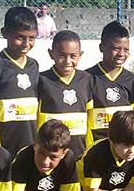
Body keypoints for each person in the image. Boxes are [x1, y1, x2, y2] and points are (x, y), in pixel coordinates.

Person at [0, 6, 40, 158]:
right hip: (2, 148)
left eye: (32, 38)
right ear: (4, 33)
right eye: (20, 37)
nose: (26, 43)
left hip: (31, 149)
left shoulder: (34, 66)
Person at [37, 30, 94, 160]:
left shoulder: (86, 80)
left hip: (79, 152)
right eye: (62, 55)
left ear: (80, 55)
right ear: (51, 54)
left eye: (73, 56)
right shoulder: (42, 80)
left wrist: (89, 148)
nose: (67, 61)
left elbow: (90, 117)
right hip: (51, 154)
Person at [86, 21, 134, 144]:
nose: (121, 54)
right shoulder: (87, 79)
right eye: (116, 48)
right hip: (96, 148)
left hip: (124, 148)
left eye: (126, 49)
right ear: (101, 47)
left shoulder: (133, 81)